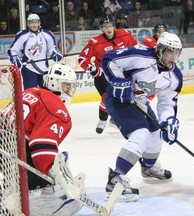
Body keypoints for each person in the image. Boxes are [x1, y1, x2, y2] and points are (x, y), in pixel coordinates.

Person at [101, 32, 183, 201]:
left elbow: (167, 103)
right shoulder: (141, 55)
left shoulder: (174, 77)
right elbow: (109, 59)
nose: (173, 56)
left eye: (176, 52)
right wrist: (118, 80)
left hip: (140, 103)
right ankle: (115, 179)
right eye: (169, 51)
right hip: (119, 98)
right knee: (141, 134)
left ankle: (148, 166)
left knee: (157, 131)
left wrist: (168, 121)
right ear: (160, 50)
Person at [0, 64, 85, 215]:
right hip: (10, 148)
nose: (69, 90)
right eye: (66, 85)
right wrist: (54, 177)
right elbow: (41, 146)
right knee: (45, 176)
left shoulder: (30, 91)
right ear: (54, 83)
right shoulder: (56, 106)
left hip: (5, 144)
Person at [78, 17, 137, 134]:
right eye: (105, 27)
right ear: (101, 29)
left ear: (114, 26)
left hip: (120, 72)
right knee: (107, 97)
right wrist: (91, 67)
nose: (108, 29)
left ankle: (115, 119)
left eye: (110, 26)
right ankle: (102, 119)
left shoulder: (125, 35)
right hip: (102, 73)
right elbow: (82, 58)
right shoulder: (95, 42)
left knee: (126, 97)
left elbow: (135, 49)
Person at [7, 13, 63, 90]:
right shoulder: (22, 35)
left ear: (39, 23)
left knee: (46, 93)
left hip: (44, 69)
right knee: (31, 92)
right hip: (28, 69)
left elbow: (51, 48)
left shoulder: (47, 34)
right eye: (32, 22)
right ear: (28, 24)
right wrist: (15, 58)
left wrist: (54, 54)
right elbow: (12, 50)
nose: (34, 24)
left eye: (36, 22)